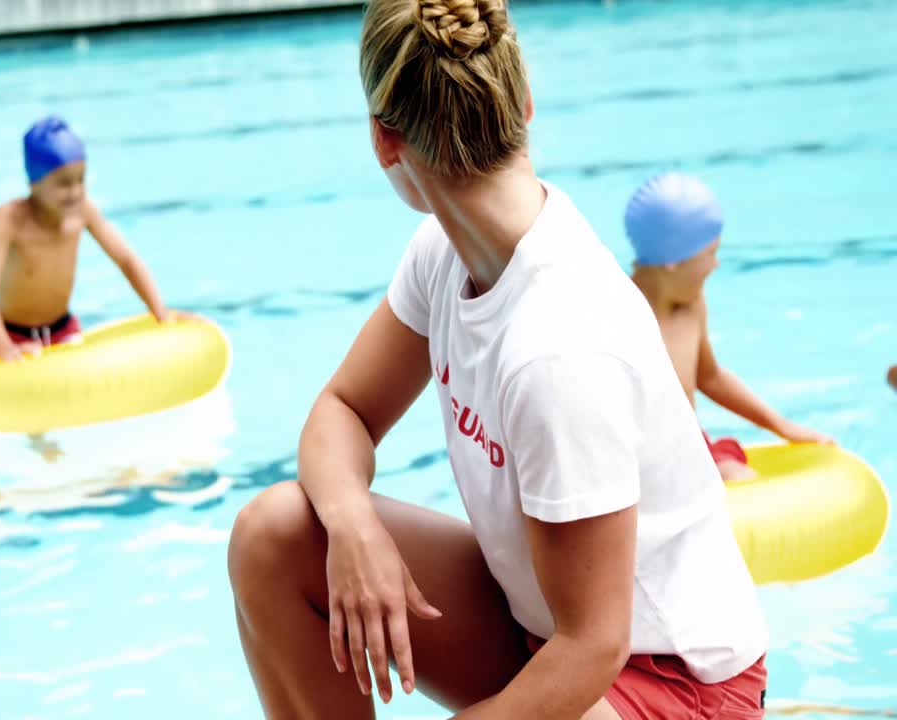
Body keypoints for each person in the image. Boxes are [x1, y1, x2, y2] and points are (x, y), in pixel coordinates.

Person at [227, 1, 768, 718]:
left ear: (385, 140)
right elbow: (343, 411)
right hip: (538, 632)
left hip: (674, 683)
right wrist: (353, 528)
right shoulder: (443, 254)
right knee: (276, 538)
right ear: (524, 101)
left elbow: (592, 648)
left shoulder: (558, 346)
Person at [625, 172, 833, 482]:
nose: (716, 264)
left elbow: (710, 377)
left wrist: (782, 426)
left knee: (741, 477)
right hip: (638, 462)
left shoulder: (691, 304)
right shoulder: (620, 316)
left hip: (688, 446)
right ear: (673, 260)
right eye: (710, 254)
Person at [0, 115, 171, 361]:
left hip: (63, 331)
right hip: (11, 336)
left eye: (81, 179)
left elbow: (126, 260)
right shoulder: (10, 220)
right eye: (64, 183)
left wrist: (160, 313)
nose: (76, 191)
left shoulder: (83, 211)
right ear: (34, 183)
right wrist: (4, 348)